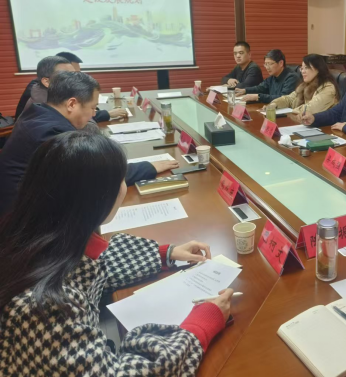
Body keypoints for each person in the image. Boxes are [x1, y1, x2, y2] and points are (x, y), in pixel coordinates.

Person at [0, 131, 233, 375]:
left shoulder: (35, 236)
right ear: (96, 199)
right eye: (121, 179)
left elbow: (94, 269)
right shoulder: (45, 306)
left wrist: (165, 254)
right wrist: (201, 325)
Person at [0, 71, 177, 216]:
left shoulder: (38, 114)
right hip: (25, 221)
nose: (93, 114)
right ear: (71, 104)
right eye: (92, 108)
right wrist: (149, 167)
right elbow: (96, 177)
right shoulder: (53, 134)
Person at [56, 51, 127, 123]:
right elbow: (81, 116)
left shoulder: (68, 87)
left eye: (79, 73)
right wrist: (108, 114)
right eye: (74, 73)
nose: (77, 77)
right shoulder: (57, 93)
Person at [270, 54, 339, 115]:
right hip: (304, 122)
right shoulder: (304, 85)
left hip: (323, 125)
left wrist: (290, 112)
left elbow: (311, 109)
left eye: (306, 68)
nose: (303, 71)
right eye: (302, 68)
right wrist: (275, 104)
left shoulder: (327, 87)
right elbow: (290, 99)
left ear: (318, 69)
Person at [14, 56, 75, 120]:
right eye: (66, 76)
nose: (75, 79)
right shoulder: (43, 110)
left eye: (75, 74)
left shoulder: (50, 95)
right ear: (46, 82)